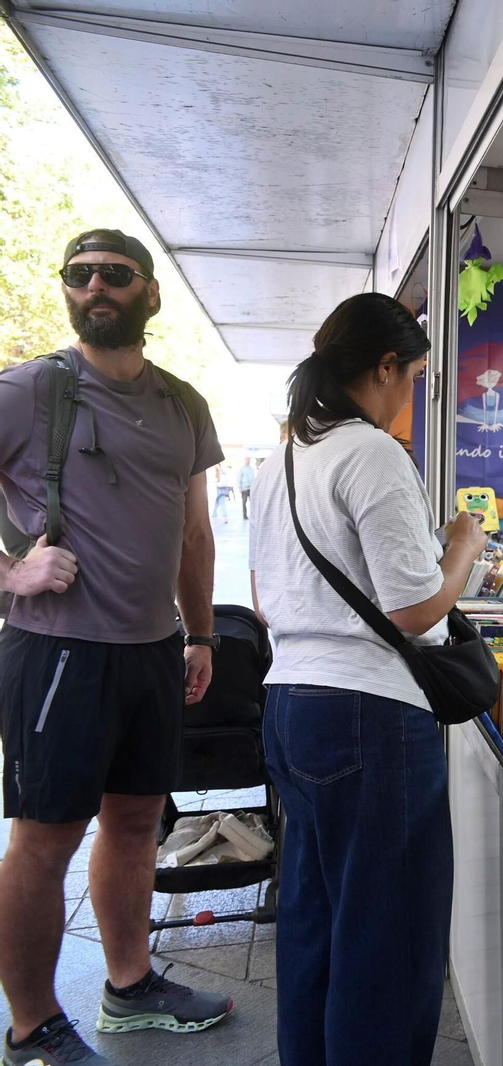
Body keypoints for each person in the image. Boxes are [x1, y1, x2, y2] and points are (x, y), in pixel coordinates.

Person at [0, 229, 232, 1066]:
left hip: (153, 651)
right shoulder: (30, 389)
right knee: (44, 837)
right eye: (80, 273)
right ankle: (32, 1030)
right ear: (67, 289)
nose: (96, 285)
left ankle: (129, 988)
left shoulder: (182, 404)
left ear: (150, 293)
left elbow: (196, 533)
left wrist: (200, 631)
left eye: (115, 274)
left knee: (136, 822)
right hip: (59, 652)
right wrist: (11, 572)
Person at [249, 292, 488, 1066]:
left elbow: (264, 597)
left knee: (316, 919)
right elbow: (416, 609)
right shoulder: (372, 452)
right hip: (371, 716)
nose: (409, 391)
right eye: (412, 374)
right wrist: (462, 545)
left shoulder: (283, 457)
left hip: (290, 703)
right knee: (388, 938)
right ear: (385, 366)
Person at [237, 457, 257, 521]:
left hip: (251, 488)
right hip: (244, 488)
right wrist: (239, 487)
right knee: (244, 503)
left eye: (248, 460)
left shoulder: (252, 469)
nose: (247, 461)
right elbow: (239, 478)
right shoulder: (241, 469)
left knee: (252, 503)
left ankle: (253, 515)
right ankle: (244, 515)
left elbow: (254, 478)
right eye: (246, 460)